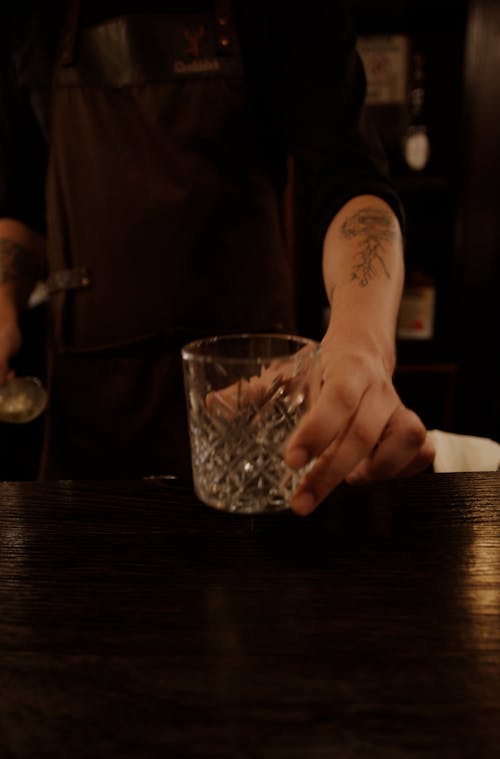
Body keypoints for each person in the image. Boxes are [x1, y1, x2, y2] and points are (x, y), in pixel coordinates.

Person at [0, 1, 435, 515]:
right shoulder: (30, 14)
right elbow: (21, 210)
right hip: (89, 410)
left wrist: (363, 342)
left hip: (249, 402)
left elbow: (352, 182)